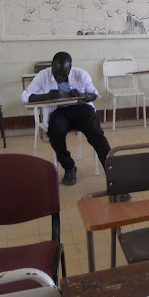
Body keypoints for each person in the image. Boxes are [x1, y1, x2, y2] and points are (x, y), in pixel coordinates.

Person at [22, 52, 124, 195]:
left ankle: (116, 180)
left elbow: (94, 94)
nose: (59, 77)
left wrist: (82, 96)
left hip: (81, 109)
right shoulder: (43, 75)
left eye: (63, 74)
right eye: (56, 73)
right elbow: (25, 96)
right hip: (60, 112)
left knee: (97, 135)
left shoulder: (81, 74)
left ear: (70, 69)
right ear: (52, 67)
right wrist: (46, 96)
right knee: (55, 133)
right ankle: (69, 167)